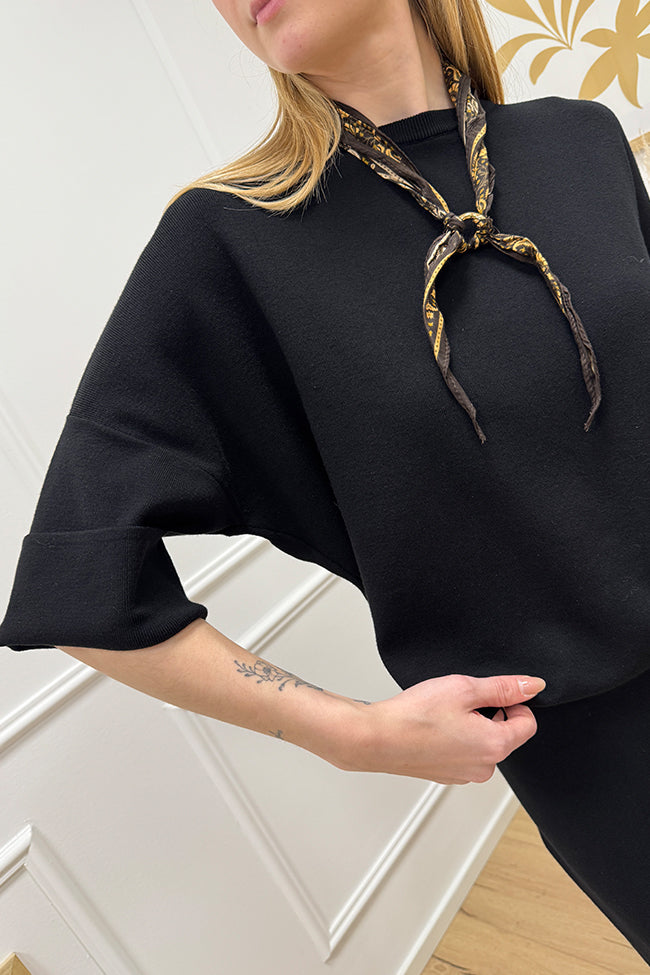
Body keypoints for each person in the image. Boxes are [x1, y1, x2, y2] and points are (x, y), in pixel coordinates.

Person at [1, 0, 650, 962]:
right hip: (609, 761)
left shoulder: (582, 140)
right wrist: (347, 733)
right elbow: (78, 584)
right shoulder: (228, 239)